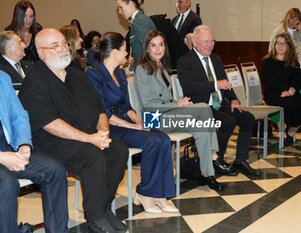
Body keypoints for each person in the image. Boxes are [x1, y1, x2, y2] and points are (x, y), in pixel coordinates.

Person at [19, 28, 129, 233]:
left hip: (85, 137)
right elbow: (50, 124)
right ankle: (95, 216)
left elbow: (99, 110)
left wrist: (103, 133)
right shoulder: (34, 81)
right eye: (55, 46)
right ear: (42, 53)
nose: (63, 49)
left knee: (118, 150)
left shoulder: (77, 75)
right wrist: (90, 139)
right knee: (93, 156)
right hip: (51, 142)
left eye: (63, 43)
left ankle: (103, 207)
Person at [87, 32, 179, 214]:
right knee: (152, 141)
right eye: (124, 50)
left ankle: (161, 194)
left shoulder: (120, 74)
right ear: (114, 52)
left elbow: (127, 106)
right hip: (109, 126)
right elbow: (103, 112)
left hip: (126, 121)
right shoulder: (94, 75)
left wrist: (140, 122)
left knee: (163, 139)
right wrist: (132, 126)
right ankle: (145, 192)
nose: (127, 54)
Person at [134, 30, 226, 191]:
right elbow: (148, 105)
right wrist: (178, 105)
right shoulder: (142, 69)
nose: (158, 49)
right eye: (153, 45)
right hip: (153, 118)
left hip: (169, 114)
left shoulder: (162, 65)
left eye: (161, 45)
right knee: (204, 108)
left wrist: (178, 103)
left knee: (202, 127)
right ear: (147, 48)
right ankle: (213, 155)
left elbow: (167, 99)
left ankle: (207, 174)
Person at [177, 25, 261, 177]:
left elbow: (226, 84)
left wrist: (234, 100)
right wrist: (215, 85)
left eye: (212, 41)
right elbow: (189, 87)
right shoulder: (185, 61)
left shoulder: (215, 59)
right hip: (202, 107)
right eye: (206, 41)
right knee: (227, 121)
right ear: (195, 42)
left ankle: (240, 160)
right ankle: (217, 160)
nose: (210, 45)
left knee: (248, 118)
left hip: (220, 104)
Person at [0, 70, 69, 233]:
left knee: (55, 170)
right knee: (7, 183)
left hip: (8, 147)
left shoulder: (2, 78)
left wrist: (24, 144)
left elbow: (19, 116)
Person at [263, 32, 301, 145]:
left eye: (283, 44)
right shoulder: (267, 62)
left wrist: (292, 90)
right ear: (274, 45)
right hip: (273, 93)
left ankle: (291, 130)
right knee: (290, 103)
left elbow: (297, 81)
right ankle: (290, 132)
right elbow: (270, 81)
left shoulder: (293, 62)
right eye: (278, 43)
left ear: (289, 46)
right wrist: (286, 89)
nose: (280, 46)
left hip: (290, 92)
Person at [116, 0, 156, 69]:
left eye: (121, 7)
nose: (119, 12)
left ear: (131, 4)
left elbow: (150, 50)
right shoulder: (140, 20)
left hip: (146, 70)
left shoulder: (139, 21)